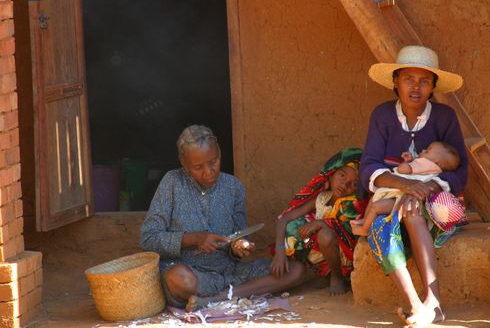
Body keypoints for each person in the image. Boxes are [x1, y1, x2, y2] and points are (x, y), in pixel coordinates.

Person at [140, 125, 305, 312]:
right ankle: (233, 295)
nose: (209, 171)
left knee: (295, 271)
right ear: (184, 164)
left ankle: (213, 299)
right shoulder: (172, 183)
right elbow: (148, 238)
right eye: (198, 167)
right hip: (192, 274)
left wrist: (239, 247)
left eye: (214, 161)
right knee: (178, 279)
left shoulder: (234, 187)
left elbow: (239, 236)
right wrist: (194, 239)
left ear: (220, 153)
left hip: (230, 273)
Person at [359, 45, 468, 327]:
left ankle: (434, 301)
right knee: (387, 223)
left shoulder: (444, 117)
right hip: (391, 192)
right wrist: (405, 184)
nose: (416, 87)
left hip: (432, 199)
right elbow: (369, 167)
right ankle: (415, 303)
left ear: (433, 87)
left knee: (412, 210)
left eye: (424, 81)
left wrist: (426, 189)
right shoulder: (382, 116)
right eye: (408, 79)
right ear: (396, 82)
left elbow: (461, 173)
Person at [271, 148, 368, 295]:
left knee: (325, 234)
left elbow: (351, 233)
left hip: (344, 258)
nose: (345, 185)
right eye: (342, 175)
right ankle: (321, 275)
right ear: (331, 173)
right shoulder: (322, 198)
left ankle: (336, 277)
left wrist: (321, 223)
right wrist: (279, 252)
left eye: (354, 183)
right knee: (294, 226)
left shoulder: (353, 205)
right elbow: (284, 219)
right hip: (321, 254)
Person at [351, 141, 461, 236]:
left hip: (400, 199)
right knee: (375, 202)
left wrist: (408, 162)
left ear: (437, 163)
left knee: (375, 205)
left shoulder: (425, 164)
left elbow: (402, 169)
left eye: (427, 151)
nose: (423, 150)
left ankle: (364, 229)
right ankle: (366, 221)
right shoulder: (433, 171)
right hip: (403, 198)